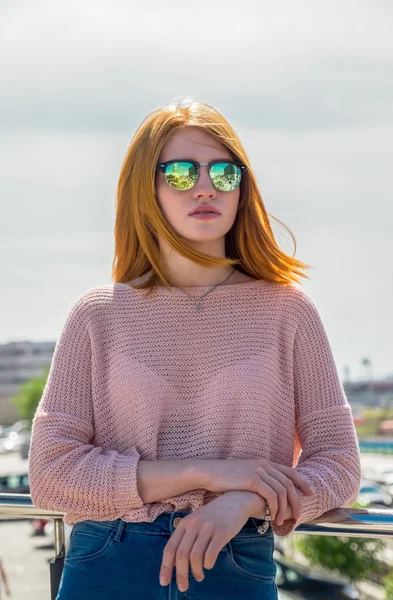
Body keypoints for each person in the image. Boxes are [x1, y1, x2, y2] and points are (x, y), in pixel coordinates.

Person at [28, 96, 361, 600]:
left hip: (235, 563)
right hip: (106, 564)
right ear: (147, 186)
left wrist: (246, 500)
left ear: (242, 188)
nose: (205, 187)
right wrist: (209, 474)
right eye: (181, 172)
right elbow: (51, 475)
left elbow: (339, 465)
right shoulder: (97, 314)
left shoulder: (287, 312)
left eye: (225, 173)